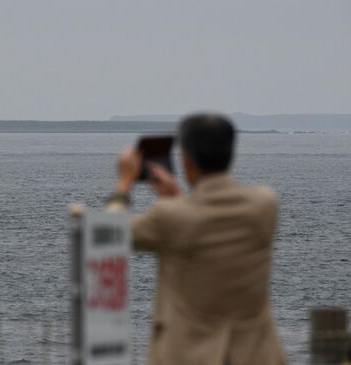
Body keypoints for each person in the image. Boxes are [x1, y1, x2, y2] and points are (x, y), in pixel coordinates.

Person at [107, 113, 287, 365]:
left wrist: (124, 182)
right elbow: (203, 221)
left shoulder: (170, 217)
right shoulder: (265, 205)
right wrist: (177, 197)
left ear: (187, 160)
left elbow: (110, 233)